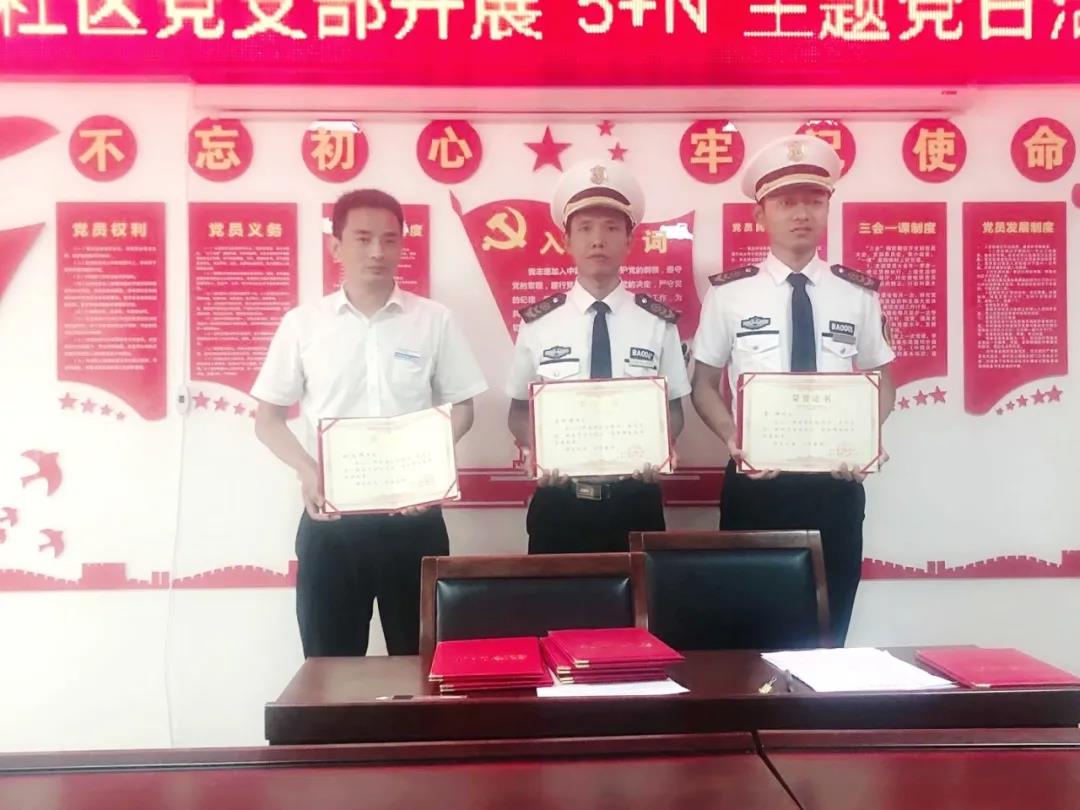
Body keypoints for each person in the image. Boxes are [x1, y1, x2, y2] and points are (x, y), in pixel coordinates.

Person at [252, 189, 487, 657]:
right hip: (332, 522)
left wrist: (429, 469)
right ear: (336, 247)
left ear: (402, 245)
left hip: (415, 521)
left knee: (422, 661)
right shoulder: (303, 324)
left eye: (389, 239)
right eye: (363, 239)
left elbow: (464, 406)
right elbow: (268, 419)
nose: (377, 251)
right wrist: (308, 471)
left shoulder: (433, 321)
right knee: (329, 666)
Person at [690, 135, 896, 644]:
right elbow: (703, 385)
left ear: (828, 207)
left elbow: (882, 381)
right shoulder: (729, 295)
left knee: (829, 627)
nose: (801, 213)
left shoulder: (856, 294)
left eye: (813, 200)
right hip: (757, 484)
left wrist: (864, 440)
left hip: (834, 484)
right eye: (786, 202)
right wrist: (732, 437)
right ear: (760, 214)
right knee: (747, 629)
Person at [505, 160, 691, 554]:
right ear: (567, 240)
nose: (598, 240)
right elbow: (518, 411)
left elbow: (674, 409)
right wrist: (538, 451)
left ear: (629, 240)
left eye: (611, 228)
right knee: (558, 596)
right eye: (585, 228)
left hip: (636, 500)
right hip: (559, 502)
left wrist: (660, 446)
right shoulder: (539, 323)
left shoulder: (657, 322)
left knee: (640, 597)